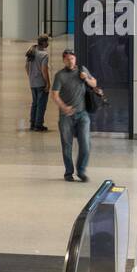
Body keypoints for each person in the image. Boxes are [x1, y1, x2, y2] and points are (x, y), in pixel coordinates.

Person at [50, 48, 97, 183]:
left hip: (82, 114)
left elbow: (94, 83)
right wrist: (64, 107)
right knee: (67, 145)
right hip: (66, 116)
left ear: (75, 59)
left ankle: (81, 171)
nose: (70, 61)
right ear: (63, 60)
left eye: (72, 58)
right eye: (67, 59)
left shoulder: (82, 71)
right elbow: (55, 95)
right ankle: (68, 172)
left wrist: (86, 78)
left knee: (85, 144)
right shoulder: (60, 75)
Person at [26, 35, 51, 131]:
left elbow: (26, 67)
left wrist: (31, 77)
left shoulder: (31, 51)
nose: (48, 43)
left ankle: (32, 124)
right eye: (47, 41)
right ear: (44, 42)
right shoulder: (44, 55)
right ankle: (38, 125)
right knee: (41, 105)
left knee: (35, 103)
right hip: (41, 83)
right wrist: (48, 83)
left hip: (32, 83)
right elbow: (44, 70)